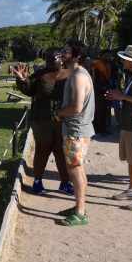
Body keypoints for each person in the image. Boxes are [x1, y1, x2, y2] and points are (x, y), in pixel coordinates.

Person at [13, 51, 72, 195]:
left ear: (62, 60)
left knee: (61, 152)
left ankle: (65, 183)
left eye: (57, 58)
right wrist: (22, 80)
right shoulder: (40, 74)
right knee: (42, 150)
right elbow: (29, 90)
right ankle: (37, 182)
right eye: (50, 60)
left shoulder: (71, 74)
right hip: (42, 119)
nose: (54, 61)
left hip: (63, 120)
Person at [54, 40, 95, 226]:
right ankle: (80, 207)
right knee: (77, 169)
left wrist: (58, 113)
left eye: (66, 51)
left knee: (76, 171)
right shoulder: (76, 73)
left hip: (75, 130)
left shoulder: (78, 76)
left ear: (77, 56)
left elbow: (77, 107)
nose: (62, 54)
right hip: (76, 129)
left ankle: (80, 212)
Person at [106, 45, 132, 210]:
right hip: (129, 123)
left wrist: (122, 96)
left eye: (125, 59)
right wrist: (119, 96)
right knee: (131, 159)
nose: (122, 60)